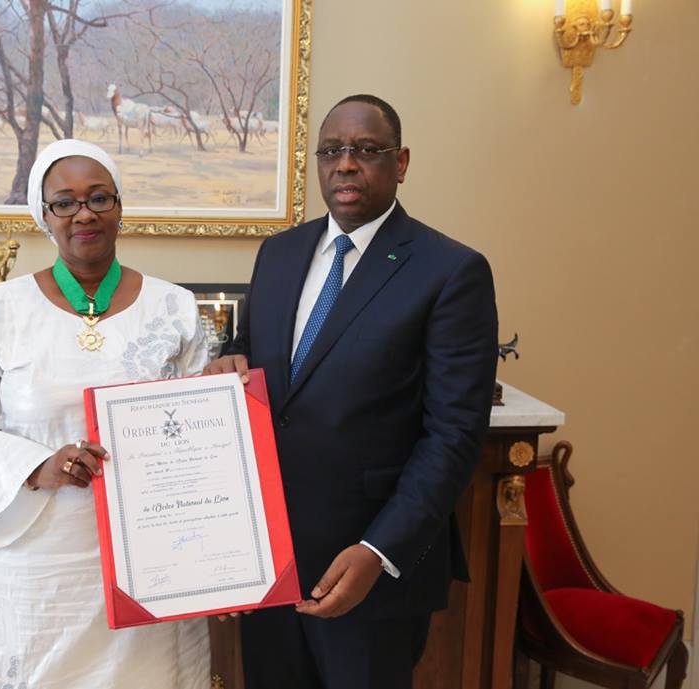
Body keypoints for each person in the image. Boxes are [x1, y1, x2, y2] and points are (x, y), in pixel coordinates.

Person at [205, 95, 499, 689]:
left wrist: (378, 551)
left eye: (366, 150)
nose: (345, 164)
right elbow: (252, 351)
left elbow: (454, 435)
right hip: (270, 564)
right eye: (332, 151)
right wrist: (225, 359)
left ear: (401, 162)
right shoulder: (279, 253)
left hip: (366, 570)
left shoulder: (450, 271)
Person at [0, 139, 211, 688]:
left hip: (151, 563)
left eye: (99, 198)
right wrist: (35, 466)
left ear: (119, 207)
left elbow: (205, 439)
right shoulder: (1, 309)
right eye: (64, 202)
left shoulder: (175, 307)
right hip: (35, 562)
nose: (84, 213)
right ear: (44, 216)